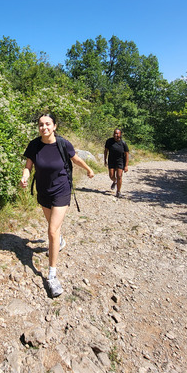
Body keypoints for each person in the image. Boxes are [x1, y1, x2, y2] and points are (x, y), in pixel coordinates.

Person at [20, 114, 94, 297]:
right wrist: (24, 176)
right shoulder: (34, 145)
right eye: (40, 125)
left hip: (62, 190)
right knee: (53, 227)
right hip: (43, 192)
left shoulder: (63, 144)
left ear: (54, 126)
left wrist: (89, 169)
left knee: (52, 230)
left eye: (47, 124)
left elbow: (75, 159)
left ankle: (52, 275)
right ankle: (59, 241)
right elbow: (28, 166)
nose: (43, 127)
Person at [104, 128, 129, 198]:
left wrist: (126, 165)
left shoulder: (123, 143)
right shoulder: (109, 141)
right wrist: (105, 160)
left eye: (117, 133)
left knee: (119, 176)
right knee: (111, 176)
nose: (116, 135)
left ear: (120, 134)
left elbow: (127, 154)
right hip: (111, 160)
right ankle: (115, 181)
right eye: (115, 133)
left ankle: (118, 192)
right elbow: (106, 151)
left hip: (120, 161)